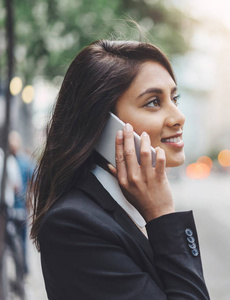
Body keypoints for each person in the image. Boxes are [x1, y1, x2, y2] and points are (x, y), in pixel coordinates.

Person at [28, 40, 210, 299]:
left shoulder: (127, 207)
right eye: (153, 102)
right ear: (104, 124)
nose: (178, 116)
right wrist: (162, 214)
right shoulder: (73, 224)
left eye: (174, 98)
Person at [9, 131, 35, 274]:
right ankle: (21, 271)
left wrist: (28, 198)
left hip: (20, 207)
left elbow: (35, 179)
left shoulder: (24, 161)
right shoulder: (9, 161)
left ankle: (22, 271)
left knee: (21, 242)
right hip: (11, 209)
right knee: (17, 243)